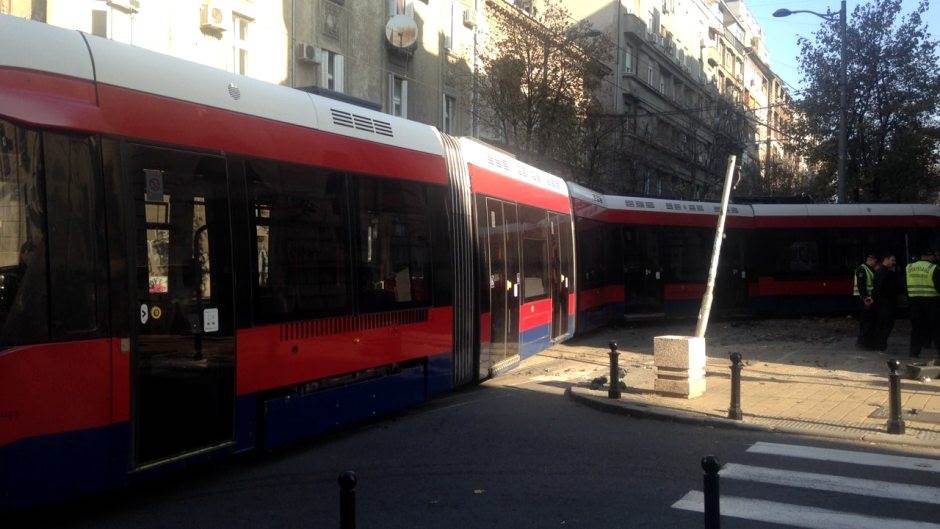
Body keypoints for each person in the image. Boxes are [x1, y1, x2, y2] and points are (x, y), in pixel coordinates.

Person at [906, 249, 940, 359]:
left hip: (914, 302)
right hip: (931, 302)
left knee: (917, 328)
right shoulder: (933, 268)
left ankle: (914, 352)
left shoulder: (909, 267)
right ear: (930, 256)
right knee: (936, 328)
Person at [872, 253, 899, 351]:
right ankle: (880, 345)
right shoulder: (885, 273)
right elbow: (879, 288)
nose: (894, 263)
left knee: (882, 325)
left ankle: (880, 344)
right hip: (885, 303)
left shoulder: (881, 272)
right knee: (885, 325)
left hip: (883, 303)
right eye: (892, 260)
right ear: (886, 259)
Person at [853, 253, 877, 349]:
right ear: (870, 259)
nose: (875, 263)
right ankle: (863, 343)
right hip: (864, 300)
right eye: (875, 261)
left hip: (866, 299)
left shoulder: (868, 269)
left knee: (868, 322)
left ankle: (866, 343)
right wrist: (866, 298)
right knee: (866, 322)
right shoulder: (862, 269)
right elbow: (861, 285)